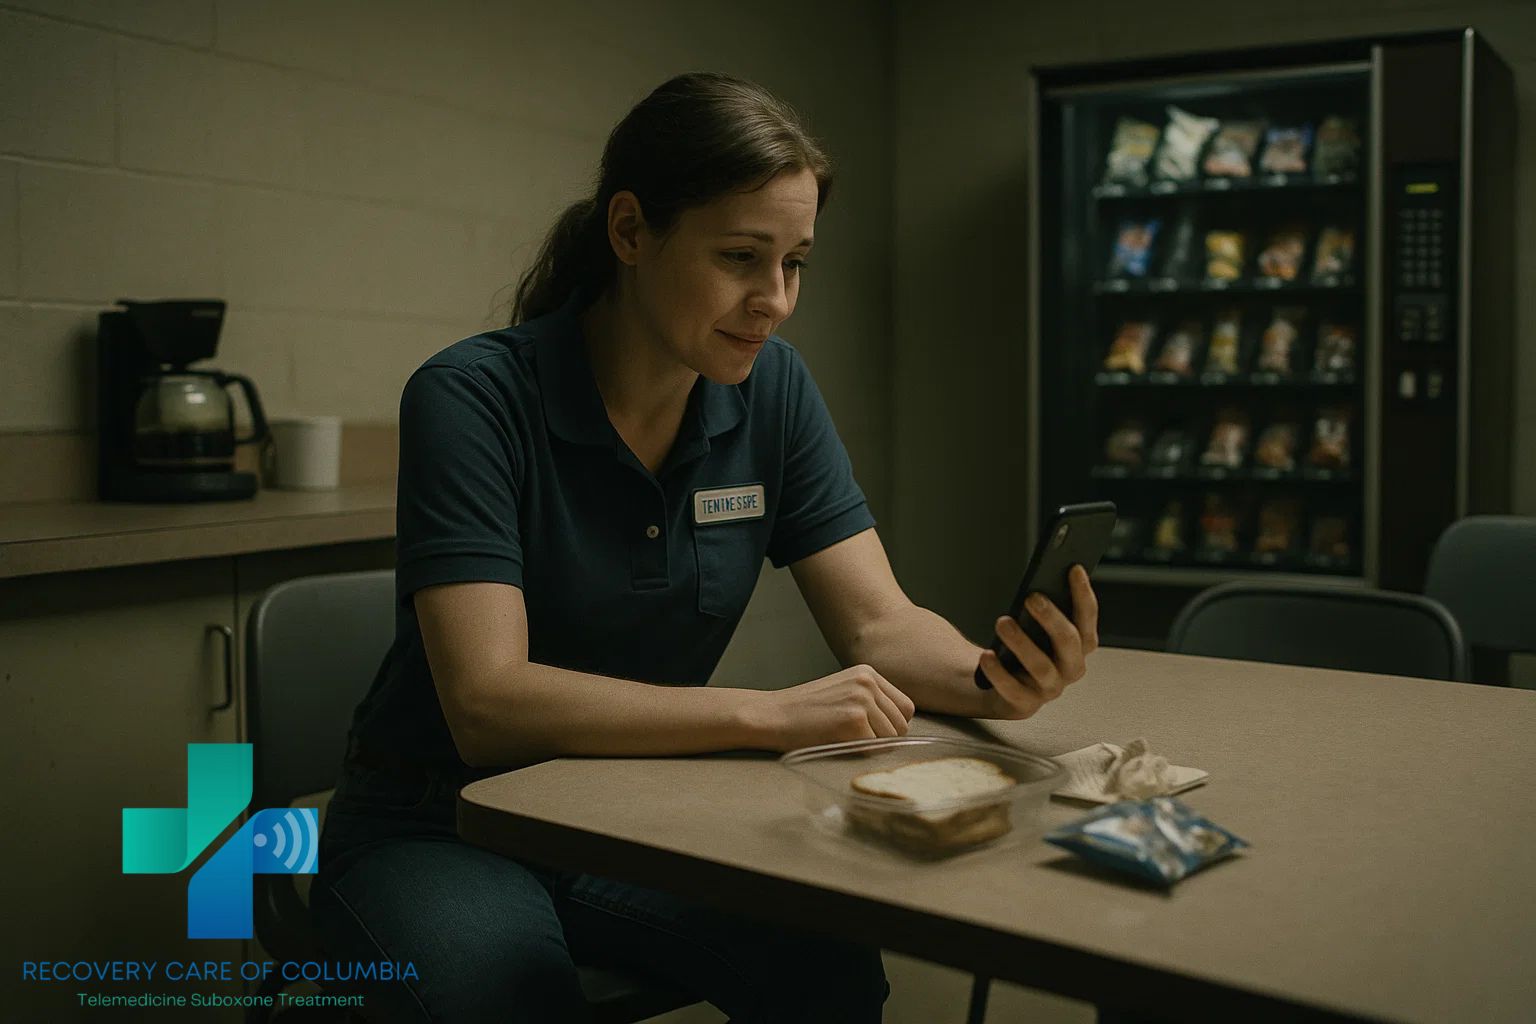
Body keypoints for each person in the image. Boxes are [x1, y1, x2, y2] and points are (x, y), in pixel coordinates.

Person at [310, 71, 1101, 1024]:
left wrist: (988, 677)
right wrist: (769, 715)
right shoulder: (473, 397)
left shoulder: (773, 390)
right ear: (632, 231)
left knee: (829, 955)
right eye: (740, 257)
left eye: (796, 263)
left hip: (629, 816)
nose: (774, 300)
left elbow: (880, 622)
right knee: (500, 994)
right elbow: (489, 703)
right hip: (441, 825)